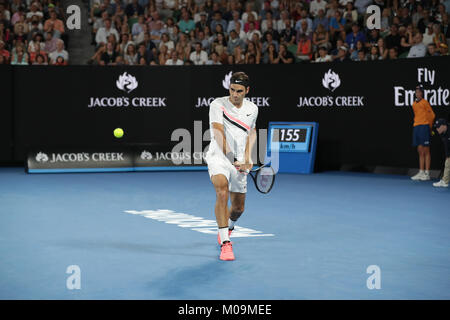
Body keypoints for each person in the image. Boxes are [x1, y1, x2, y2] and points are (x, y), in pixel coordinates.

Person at [205, 72, 258, 261]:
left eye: (239, 91)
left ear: (247, 91)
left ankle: (228, 227)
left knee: (238, 208)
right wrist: (231, 156)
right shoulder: (217, 104)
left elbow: (251, 133)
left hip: (239, 162)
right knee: (221, 191)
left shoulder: (253, 108)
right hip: (219, 156)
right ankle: (226, 243)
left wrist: (247, 159)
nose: (235, 94)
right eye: (232, 90)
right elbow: (218, 132)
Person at [411, 85, 436, 181]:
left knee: (426, 151)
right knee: (420, 150)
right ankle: (421, 171)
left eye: (419, 92)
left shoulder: (425, 103)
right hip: (416, 127)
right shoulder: (414, 104)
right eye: (416, 92)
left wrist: (429, 127)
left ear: (422, 93)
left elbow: (432, 115)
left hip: (424, 127)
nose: (417, 93)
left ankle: (427, 173)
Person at [432, 118, 450, 187]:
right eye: (436, 127)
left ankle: (445, 181)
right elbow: (447, 145)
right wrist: (448, 155)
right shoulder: (442, 133)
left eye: (438, 127)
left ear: (444, 126)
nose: (437, 129)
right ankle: (445, 181)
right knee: (448, 163)